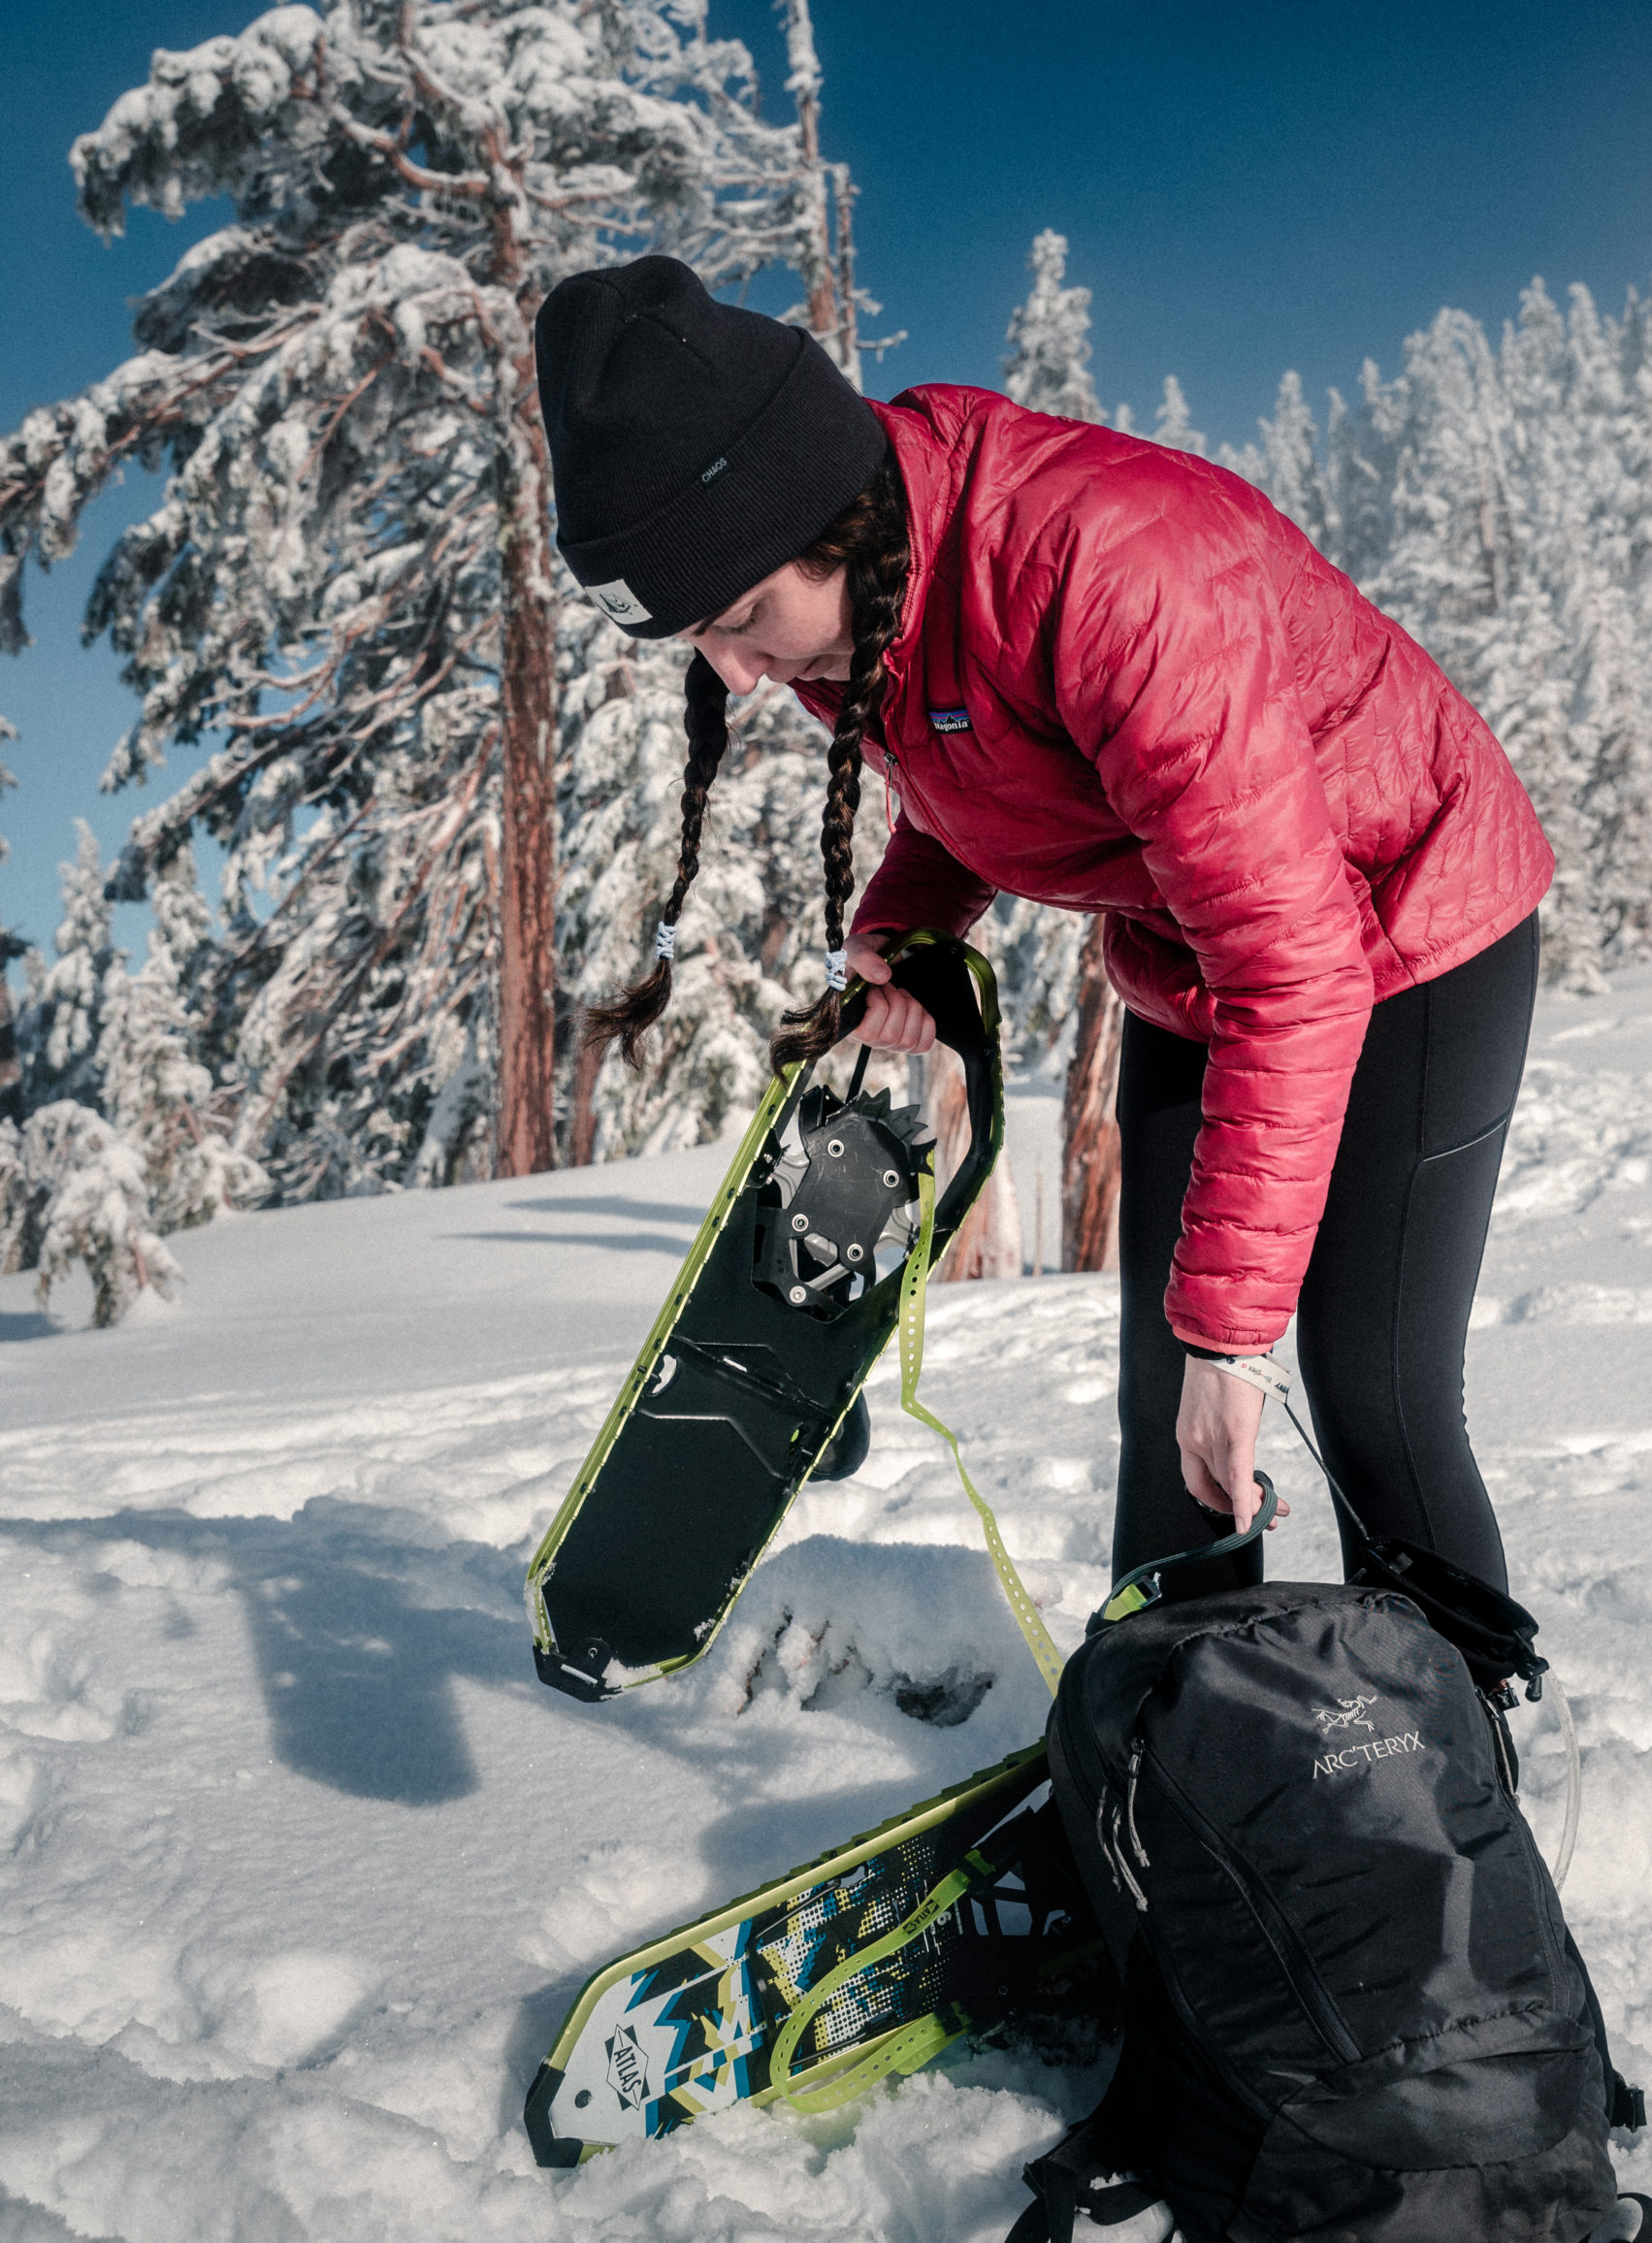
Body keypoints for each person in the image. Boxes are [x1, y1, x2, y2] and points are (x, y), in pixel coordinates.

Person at [534, 256, 1551, 1605]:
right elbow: (983, 767)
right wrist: (907, 925)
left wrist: (1235, 1341)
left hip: (1408, 921)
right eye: (698, 640)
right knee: (1164, 1410)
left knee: (1367, 1391)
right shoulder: (858, 603)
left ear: (819, 518)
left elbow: (1296, 963)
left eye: (738, 619)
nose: (735, 670)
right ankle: (1175, 1743)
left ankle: (1452, 1768)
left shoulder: (1114, 571)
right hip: (1209, 954)